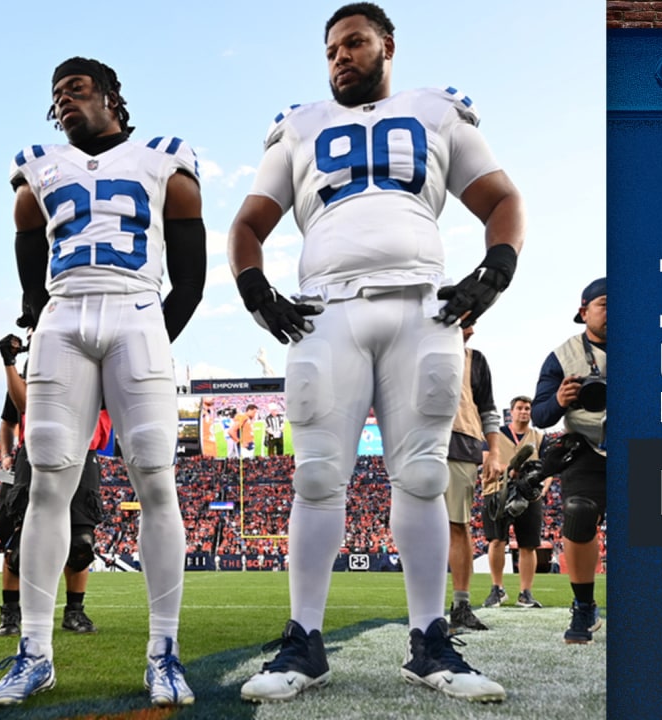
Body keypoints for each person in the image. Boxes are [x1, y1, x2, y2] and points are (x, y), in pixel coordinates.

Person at [227, 3, 523, 704]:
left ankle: (429, 642)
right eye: (331, 48)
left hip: (424, 306)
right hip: (326, 307)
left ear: (387, 46)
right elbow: (248, 222)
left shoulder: (436, 111)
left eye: (354, 43)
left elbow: (502, 199)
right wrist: (254, 291)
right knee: (317, 476)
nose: (340, 57)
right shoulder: (299, 124)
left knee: (421, 476)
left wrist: (496, 270)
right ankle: (303, 640)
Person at [0, 56, 205, 708]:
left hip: (137, 307)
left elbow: (189, 279)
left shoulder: (161, 158)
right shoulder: (41, 167)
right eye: (56, 95)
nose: (64, 102)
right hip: (64, 316)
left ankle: (163, 652)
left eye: (76, 89)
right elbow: (26, 221)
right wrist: (31, 299)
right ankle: (34, 655)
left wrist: (156, 334)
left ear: (109, 95)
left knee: (156, 478)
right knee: (48, 479)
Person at [0, 331, 108, 638]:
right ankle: (10, 614)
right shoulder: (35, 371)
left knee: (81, 543)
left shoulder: (96, 368)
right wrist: (5, 455)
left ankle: (75, 611)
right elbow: (16, 415)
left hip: (83, 453)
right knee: (19, 541)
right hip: (35, 453)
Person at [532, 278, 607, 644]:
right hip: (588, 446)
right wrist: (561, 400)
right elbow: (540, 417)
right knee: (578, 511)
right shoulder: (562, 356)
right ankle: (583, 605)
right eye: (606, 305)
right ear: (584, 311)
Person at [445, 323, 502, 631]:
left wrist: (494, 452)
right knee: (419, 529)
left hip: (461, 444)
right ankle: (424, 608)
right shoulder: (413, 353)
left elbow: (489, 410)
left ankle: (461, 604)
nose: (472, 330)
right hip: (417, 444)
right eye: (466, 321)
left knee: (458, 525)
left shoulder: (475, 360)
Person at [482, 395, 550, 610]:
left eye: (528, 408)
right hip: (497, 491)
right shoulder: (494, 436)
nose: (524, 411)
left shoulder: (539, 437)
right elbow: (486, 462)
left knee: (529, 545)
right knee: (496, 540)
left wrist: (542, 490)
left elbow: (548, 469)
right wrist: (509, 469)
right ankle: (497, 588)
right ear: (511, 412)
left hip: (529, 495)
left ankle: (525, 593)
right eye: (519, 408)